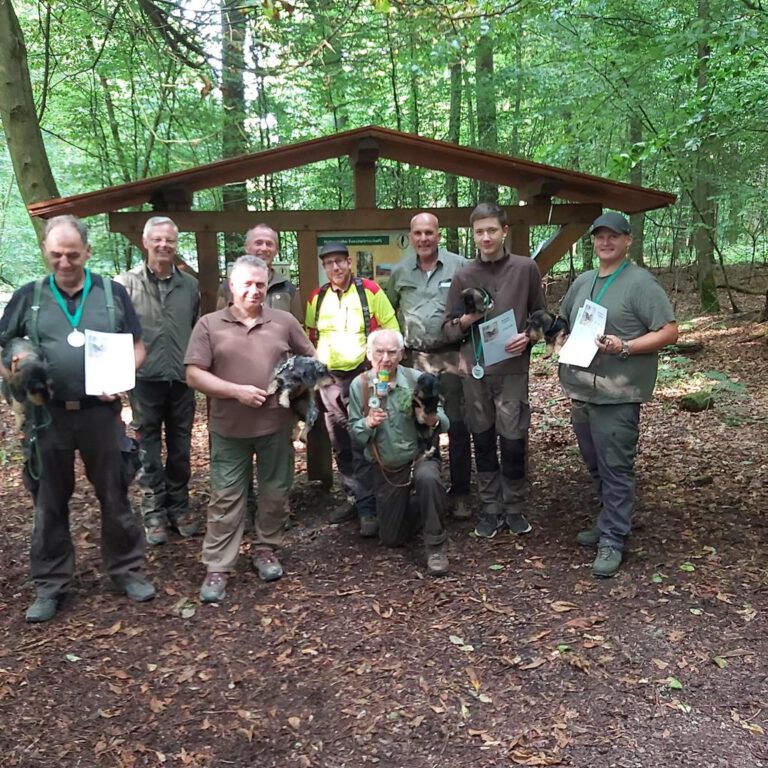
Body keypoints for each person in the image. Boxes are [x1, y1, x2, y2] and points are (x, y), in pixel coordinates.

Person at [0, 215, 155, 623]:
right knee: (49, 501)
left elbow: (139, 346)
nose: (64, 262)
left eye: (72, 254)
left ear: (87, 252)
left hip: (100, 415)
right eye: (56, 254)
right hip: (46, 418)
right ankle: (51, 584)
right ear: (46, 252)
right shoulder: (28, 296)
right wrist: (16, 378)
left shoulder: (111, 293)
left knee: (115, 493)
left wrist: (124, 377)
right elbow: (3, 351)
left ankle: (126, 570)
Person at [185, 254, 316, 604]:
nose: (255, 291)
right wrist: (235, 391)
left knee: (275, 491)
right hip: (229, 427)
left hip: (275, 425)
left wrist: (296, 384)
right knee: (227, 497)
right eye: (247, 284)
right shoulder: (210, 325)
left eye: (260, 284)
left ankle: (265, 549)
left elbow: (312, 360)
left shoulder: (284, 321)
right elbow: (194, 373)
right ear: (232, 286)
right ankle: (218, 566)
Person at [558, 212, 678, 577]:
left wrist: (624, 345)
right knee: (596, 466)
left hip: (618, 393)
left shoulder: (640, 282)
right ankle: (610, 518)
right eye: (600, 237)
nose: (605, 242)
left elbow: (669, 331)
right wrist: (559, 337)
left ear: (628, 241)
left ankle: (613, 539)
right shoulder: (583, 281)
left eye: (614, 236)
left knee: (616, 468)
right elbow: (563, 320)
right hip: (582, 391)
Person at [442, 202, 546, 539]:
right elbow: (448, 329)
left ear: (505, 231)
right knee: (482, 440)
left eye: (492, 230)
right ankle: (490, 508)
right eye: (479, 231)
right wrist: (467, 320)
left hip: (512, 370)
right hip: (475, 372)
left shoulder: (525, 268)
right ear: (473, 235)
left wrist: (528, 337)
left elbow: (541, 317)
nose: (486, 237)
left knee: (513, 441)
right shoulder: (463, 275)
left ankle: (514, 507)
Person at [304, 242, 399, 537]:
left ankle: (377, 504)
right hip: (330, 380)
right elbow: (310, 339)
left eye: (339, 261)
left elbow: (391, 332)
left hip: (364, 376)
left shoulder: (369, 290)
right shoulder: (316, 299)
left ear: (349, 263)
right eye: (329, 263)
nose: (335, 267)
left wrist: (382, 376)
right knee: (341, 441)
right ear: (324, 267)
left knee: (371, 437)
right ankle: (356, 500)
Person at [116, 216, 200, 546]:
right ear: (146, 241)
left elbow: (193, 325)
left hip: (180, 377)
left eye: (170, 240)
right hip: (143, 379)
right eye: (158, 240)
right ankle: (153, 512)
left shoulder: (189, 286)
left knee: (180, 447)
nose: (164, 245)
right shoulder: (125, 284)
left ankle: (179, 507)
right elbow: (115, 331)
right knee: (147, 447)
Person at [385, 213, 472, 520]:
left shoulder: (459, 266)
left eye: (429, 233)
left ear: (438, 235)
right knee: (422, 422)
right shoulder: (400, 272)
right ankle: (426, 487)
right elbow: (386, 310)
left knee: (459, 425)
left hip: (452, 357)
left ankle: (461, 492)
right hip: (415, 361)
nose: (424, 238)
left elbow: (476, 305)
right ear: (411, 236)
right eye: (418, 233)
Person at [348, 329, 451, 574]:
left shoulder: (418, 379)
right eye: (380, 352)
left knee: (427, 478)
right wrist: (368, 423)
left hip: (419, 455)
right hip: (388, 466)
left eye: (392, 352)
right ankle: (424, 505)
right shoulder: (360, 385)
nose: (386, 358)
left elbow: (444, 421)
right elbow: (354, 431)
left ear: (402, 354)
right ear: (369, 354)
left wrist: (431, 419)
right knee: (392, 537)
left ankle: (436, 546)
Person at [217, 224, 303, 322]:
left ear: (276, 251)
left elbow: (298, 327)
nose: (264, 248)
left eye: (269, 244)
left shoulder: (288, 288)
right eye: (258, 243)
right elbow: (219, 326)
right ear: (247, 248)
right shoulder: (227, 287)